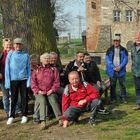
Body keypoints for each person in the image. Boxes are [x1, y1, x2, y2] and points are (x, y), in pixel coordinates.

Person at [31, 53, 62, 130]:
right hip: (39, 92)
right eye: (45, 58)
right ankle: (43, 121)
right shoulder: (37, 70)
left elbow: (56, 82)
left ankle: (60, 119)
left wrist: (52, 90)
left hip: (50, 90)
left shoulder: (54, 69)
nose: (47, 60)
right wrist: (38, 91)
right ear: (41, 60)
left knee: (53, 100)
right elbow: (33, 83)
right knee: (42, 101)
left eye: (48, 58)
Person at [5, 38, 31, 125]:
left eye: (19, 44)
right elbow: (7, 69)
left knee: (24, 98)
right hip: (13, 80)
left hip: (23, 79)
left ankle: (24, 115)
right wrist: (7, 82)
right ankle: (11, 116)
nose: (18, 46)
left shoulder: (26, 55)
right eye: (16, 44)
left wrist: (28, 81)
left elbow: (28, 69)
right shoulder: (10, 54)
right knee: (13, 98)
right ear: (14, 45)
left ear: (22, 45)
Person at [106, 36, 128, 104]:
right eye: (114, 41)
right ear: (113, 41)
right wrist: (113, 67)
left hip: (121, 71)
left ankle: (123, 97)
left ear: (119, 41)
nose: (116, 42)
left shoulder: (124, 50)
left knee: (122, 85)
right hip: (112, 71)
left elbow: (125, 59)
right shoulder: (109, 49)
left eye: (117, 41)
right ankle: (113, 98)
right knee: (112, 85)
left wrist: (120, 67)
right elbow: (108, 60)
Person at [131, 32, 140, 110]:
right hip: (135, 72)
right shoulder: (133, 47)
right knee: (137, 88)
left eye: (139, 37)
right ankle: (138, 104)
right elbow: (132, 58)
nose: (138, 39)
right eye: (137, 38)